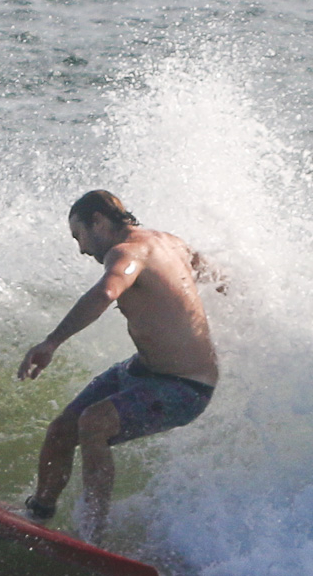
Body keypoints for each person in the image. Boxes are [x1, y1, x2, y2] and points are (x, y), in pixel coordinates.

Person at [16, 190, 221, 543]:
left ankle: (92, 536)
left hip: (185, 387)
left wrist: (51, 342)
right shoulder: (168, 242)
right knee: (62, 429)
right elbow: (216, 276)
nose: (81, 249)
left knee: (93, 424)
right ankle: (38, 513)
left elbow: (105, 293)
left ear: (98, 221)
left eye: (79, 235)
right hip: (145, 370)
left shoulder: (126, 253)